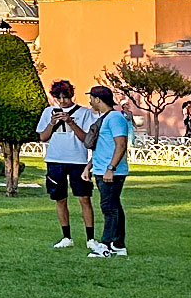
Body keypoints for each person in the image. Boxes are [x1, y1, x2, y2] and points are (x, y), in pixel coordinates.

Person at [34, 80, 97, 249]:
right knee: (60, 199)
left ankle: (90, 238)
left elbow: (86, 139)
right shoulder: (48, 112)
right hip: (55, 159)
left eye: (66, 98)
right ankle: (66, 236)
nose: (62, 102)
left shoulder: (84, 113)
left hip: (78, 160)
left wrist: (70, 122)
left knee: (84, 198)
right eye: (58, 98)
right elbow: (43, 137)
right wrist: (52, 122)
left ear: (72, 96)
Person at [81, 86, 133, 258]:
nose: (90, 102)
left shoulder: (115, 118)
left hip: (111, 172)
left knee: (108, 208)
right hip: (102, 169)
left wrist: (111, 168)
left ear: (97, 99)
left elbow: (121, 145)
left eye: (92, 98)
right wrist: (89, 167)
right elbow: (102, 148)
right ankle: (118, 245)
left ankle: (106, 245)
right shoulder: (106, 118)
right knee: (114, 206)